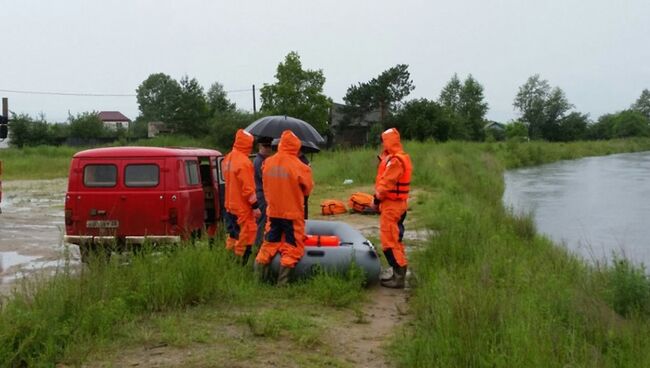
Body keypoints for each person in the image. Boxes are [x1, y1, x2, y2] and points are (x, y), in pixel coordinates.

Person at [255, 130, 314, 285]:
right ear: (296, 146)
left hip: (273, 212)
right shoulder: (300, 166)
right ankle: (283, 282)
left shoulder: (267, 162)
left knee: (268, 244)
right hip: (292, 214)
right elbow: (307, 189)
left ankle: (259, 279)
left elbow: (265, 184)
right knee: (293, 247)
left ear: (280, 144)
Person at [373, 128, 412, 289]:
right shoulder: (397, 158)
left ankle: (398, 277)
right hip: (396, 204)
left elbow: (386, 184)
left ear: (388, 141)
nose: (382, 143)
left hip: (392, 206)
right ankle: (398, 273)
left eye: (384, 140)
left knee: (389, 241)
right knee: (395, 239)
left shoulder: (396, 161)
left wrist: (376, 199)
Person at [222, 129, 260, 265]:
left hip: (229, 205)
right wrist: (255, 206)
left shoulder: (227, 158)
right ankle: (240, 264)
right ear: (247, 144)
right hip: (242, 207)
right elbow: (248, 189)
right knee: (246, 235)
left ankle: (229, 261)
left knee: (232, 235)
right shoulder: (244, 162)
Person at [253, 136, 274, 248]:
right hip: (261, 195)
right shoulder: (259, 161)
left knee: (265, 221)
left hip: (265, 194)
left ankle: (261, 244)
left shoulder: (265, 160)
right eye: (265, 146)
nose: (268, 149)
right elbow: (265, 178)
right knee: (262, 222)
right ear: (259, 146)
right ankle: (258, 245)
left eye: (270, 146)